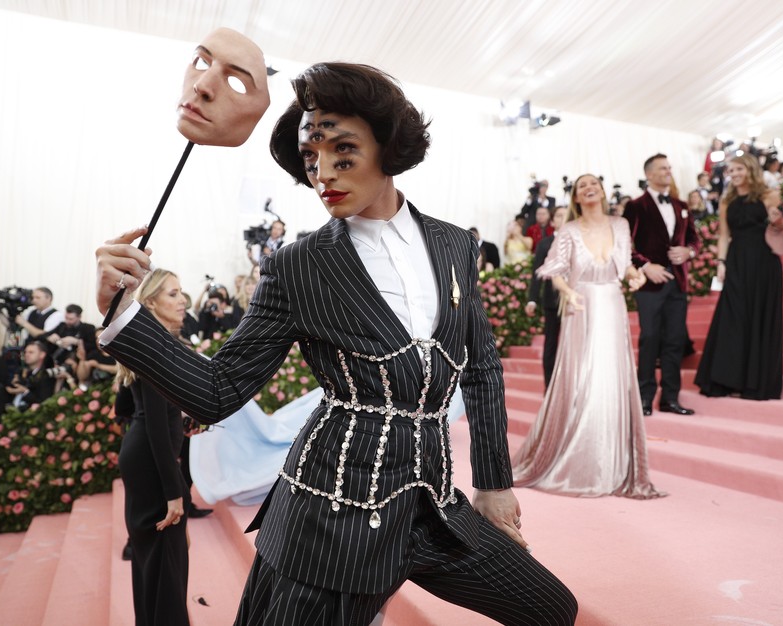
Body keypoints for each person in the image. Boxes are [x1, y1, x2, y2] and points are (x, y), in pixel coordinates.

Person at [96, 61, 576, 625]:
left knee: (551, 608)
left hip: (434, 508)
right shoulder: (297, 266)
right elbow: (219, 389)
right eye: (310, 158)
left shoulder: (454, 247)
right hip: (330, 516)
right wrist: (122, 314)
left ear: (388, 146)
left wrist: (494, 482)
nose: (323, 173)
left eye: (342, 151)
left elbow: (482, 369)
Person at [511, 174, 664, 500]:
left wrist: (636, 277)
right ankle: (578, 460)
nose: (589, 187)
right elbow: (552, 271)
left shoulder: (621, 225)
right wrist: (570, 291)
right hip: (580, 308)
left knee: (611, 379)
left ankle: (611, 463)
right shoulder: (567, 231)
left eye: (593, 183)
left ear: (603, 191)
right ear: (577, 197)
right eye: (582, 186)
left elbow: (624, 267)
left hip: (612, 305)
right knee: (583, 379)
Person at [116, 269, 191, 626]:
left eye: (182, 293)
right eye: (174, 294)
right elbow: (158, 427)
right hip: (152, 456)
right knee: (166, 559)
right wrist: (175, 494)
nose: (184, 301)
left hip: (141, 452)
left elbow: (125, 408)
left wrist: (181, 420)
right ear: (150, 302)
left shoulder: (142, 343)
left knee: (153, 558)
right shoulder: (158, 346)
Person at [694, 155, 783, 400]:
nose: (733, 173)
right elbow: (724, 235)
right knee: (733, 317)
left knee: (759, 316)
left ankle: (755, 382)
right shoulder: (727, 201)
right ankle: (726, 379)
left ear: (750, 170)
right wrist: (721, 263)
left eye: (738, 168)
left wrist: (778, 220)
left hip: (764, 263)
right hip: (736, 262)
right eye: (730, 170)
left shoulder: (769, 196)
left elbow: (782, 229)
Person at [624, 153, 700, 417]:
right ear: (649, 174)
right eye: (662, 167)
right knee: (650, 339)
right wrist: (646, 266)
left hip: (678, 283)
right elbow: (625, 245)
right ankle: (645, 398)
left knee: (674, 341)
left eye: (669, 166)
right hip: (649, 285)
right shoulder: (635, 206)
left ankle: (670, 398)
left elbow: (694, 239)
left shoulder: (681, 205)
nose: (668, 170)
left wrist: (687, 252)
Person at [525, 205, 568, 385]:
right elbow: (537, 273)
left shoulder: (581, 241)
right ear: (553, 221)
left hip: (577, 300)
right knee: (551, 342)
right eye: (559, 215)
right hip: (552, 300)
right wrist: (532, 300)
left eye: (567, 215)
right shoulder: (545, 243)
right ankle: (549, 385)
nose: (563, 219)